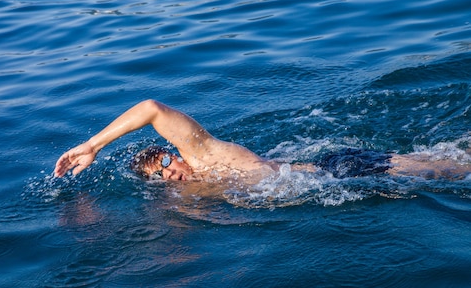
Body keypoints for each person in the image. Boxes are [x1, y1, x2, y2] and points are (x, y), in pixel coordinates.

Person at [54, 99, 471, 182]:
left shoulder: (201, 154)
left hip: (341, 171)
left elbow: (151, 110)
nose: (171, 174)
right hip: (337, 180)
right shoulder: (193, 193)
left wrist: (94, 145)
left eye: (165, 164)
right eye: (160, 178)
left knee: (450, 170)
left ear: (170, 153)